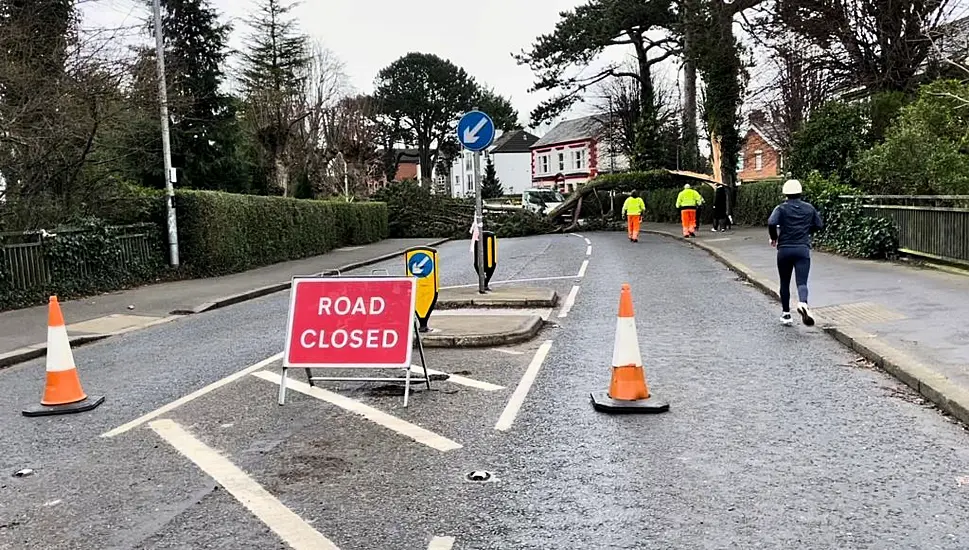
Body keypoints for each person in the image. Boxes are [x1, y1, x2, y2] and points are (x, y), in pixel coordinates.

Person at [768, 179, 823, 327]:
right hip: (802, 249)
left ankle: (786, 314)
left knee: (784, 282)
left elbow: (772, 222)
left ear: (785, 193)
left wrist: (774, 238)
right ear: (800, 192)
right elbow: (819, 224)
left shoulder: (781, 208)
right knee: (802, 282)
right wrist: (806, 231)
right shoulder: (809, 208)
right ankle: (803, 303)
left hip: (784, 249)